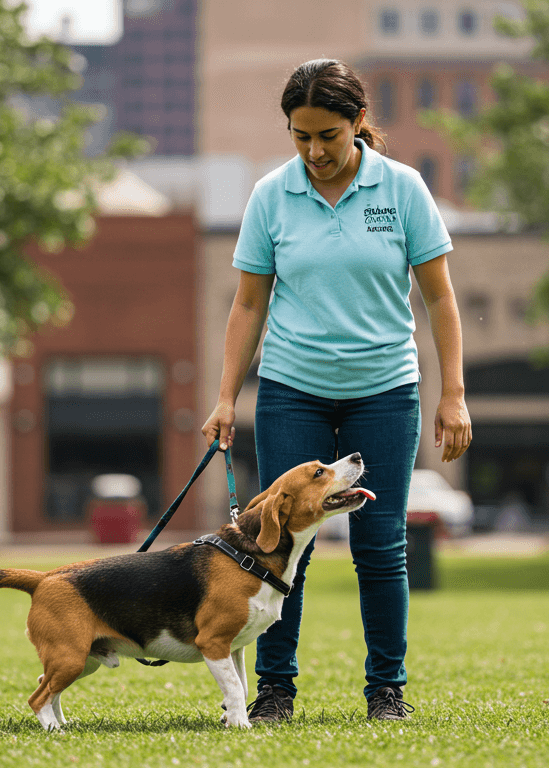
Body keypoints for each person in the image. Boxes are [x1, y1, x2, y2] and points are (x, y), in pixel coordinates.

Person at [201, 58, 472, 723]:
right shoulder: (272, 195)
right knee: (276, 547)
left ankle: (387, 690)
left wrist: (454, 392)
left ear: (357, 122)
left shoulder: (403, 189)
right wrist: (225, 396)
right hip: (293, 390)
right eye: (301, 136)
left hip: (384, 391)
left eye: (328, 134)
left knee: (380, 547)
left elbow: (439, 299)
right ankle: (275, 691)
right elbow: (247, 306)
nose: (315, 151)